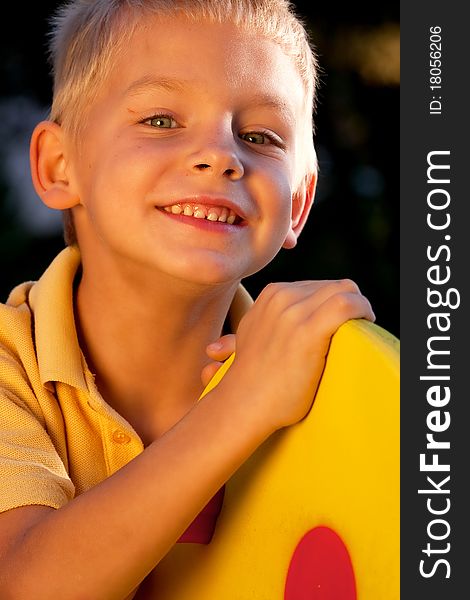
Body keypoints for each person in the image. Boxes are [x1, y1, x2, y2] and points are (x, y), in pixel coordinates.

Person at [0, 1, 375, 598]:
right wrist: (245, 401)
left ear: (298, 204)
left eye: (259, 136)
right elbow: (25, 585)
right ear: (58, 164)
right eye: (160, 121)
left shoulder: (337, 374)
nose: (221, 156)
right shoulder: (7, 366)